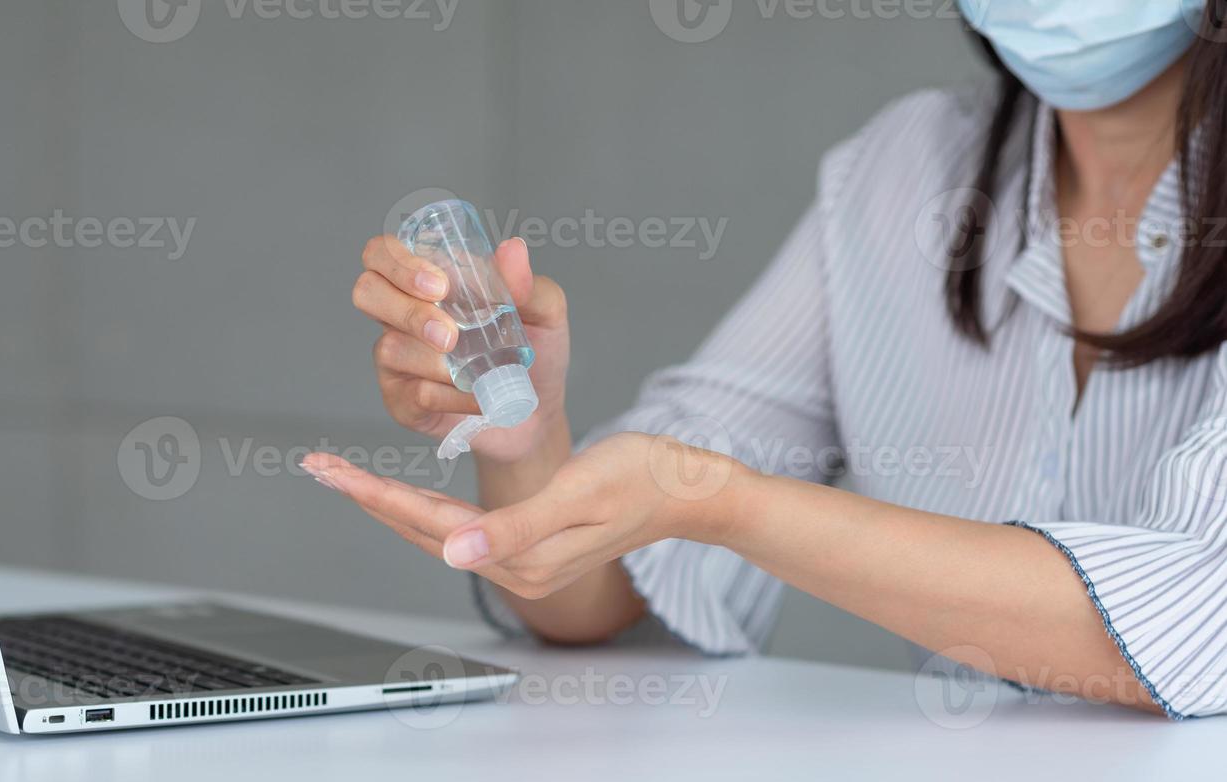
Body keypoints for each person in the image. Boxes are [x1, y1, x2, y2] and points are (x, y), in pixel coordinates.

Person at [306, 1, 1227, 719]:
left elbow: (1191, 620)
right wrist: (526, 444)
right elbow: (601, 593)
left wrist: (722, 502)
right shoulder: (904, 171)